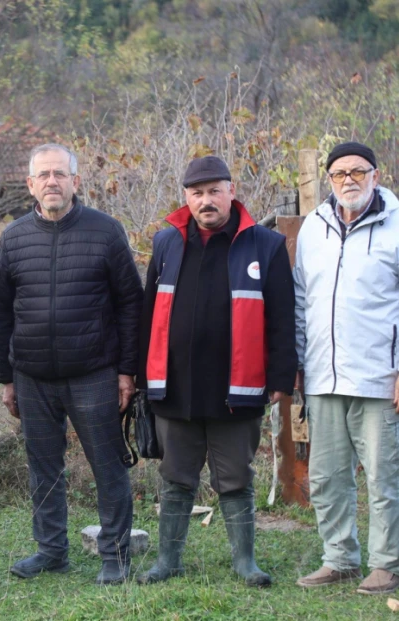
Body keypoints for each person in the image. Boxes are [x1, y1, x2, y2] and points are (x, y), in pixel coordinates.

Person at [0, 143, 143, 585]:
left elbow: (131, 303)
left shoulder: (106, 231)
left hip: (94, 372)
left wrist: (127, 371)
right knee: (43, 468)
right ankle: (51, 551)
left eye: (60, 173)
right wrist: (5, 376)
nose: (52, 181)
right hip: (32, 376)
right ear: (31, 184)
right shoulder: (13, 237)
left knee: (108, 466)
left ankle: (115, 554)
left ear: (76, 181)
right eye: (44, 175)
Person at [136, 156, 296, 587]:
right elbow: (148, 314)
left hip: (237, 386)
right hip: (175, 387)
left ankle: (245, 562)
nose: (205, 201)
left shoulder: (265, 244)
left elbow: (283, 316)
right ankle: (168, 561)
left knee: (236, 477)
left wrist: (283, 376)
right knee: (175, 478)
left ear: (231, 190)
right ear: (186, 197)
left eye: (213, 191)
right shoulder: (166, 243)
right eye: (196, 193)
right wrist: (137, 375)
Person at [294, 141, 399, 594]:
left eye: (358, 171)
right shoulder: (313, 229)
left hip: (381, 378)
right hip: (323, 377)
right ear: (329, 180)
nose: (348, 180)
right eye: (339, 174)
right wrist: (298, 364)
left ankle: (388, 563)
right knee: (327, 477)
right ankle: (339, 558)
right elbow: (302, 301)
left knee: (383, 475)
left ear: (376, 174)